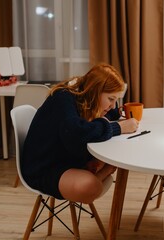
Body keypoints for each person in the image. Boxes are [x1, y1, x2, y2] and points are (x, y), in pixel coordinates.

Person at [22, 63, 139, 204]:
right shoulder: (63, 98)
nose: (112, 105)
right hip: (44, 169)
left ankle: (96, 170)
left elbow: (105, 116)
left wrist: (114, 111)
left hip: (66, 159)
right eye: (111, 99)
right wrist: (118, 128)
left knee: (107, 156)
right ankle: (103, 172)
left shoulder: (85, 100)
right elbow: (77, 132)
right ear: (95, 91)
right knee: (91, 187)